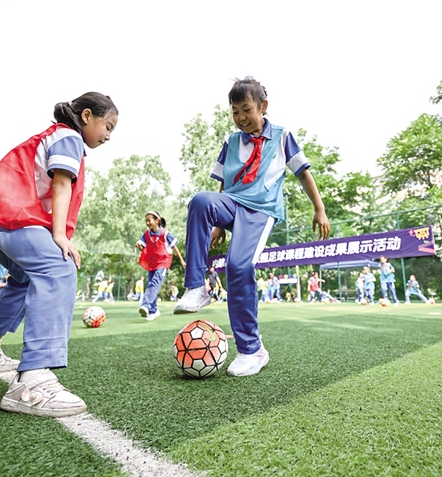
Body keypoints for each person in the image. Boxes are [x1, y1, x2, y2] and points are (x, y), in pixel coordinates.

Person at [0, 91, 118, 417]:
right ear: (87, 116)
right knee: (59, 267)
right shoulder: (69, 137)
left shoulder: (55, 136)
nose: (108, 136)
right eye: (108, 126)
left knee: (22, 276)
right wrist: (59, 236)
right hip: (7, 214)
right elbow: (61, 184)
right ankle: (31, 382)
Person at [174, 76, 330, 377]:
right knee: (201, 200)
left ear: (263, 106)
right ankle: (196, 287)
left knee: (237, 266)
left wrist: (319, 209)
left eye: (246, 109)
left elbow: (302, 173)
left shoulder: (282, 136)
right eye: (235, 112)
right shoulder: (231, 142)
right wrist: (217, 224)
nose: (241, 117)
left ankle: (252, 350)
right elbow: (222, 183)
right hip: (232, 202)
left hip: (260, 210)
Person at [135, 211, 185, 321]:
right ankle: (153, 311)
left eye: (149, 220)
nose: (147, 223)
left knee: (154, 283)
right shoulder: (146, 234)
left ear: (157, 220)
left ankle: (146, 305)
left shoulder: (165, 233)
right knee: (151, 284)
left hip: (163, 262)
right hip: (152, 263)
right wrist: (139, 246)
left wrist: (182, 260)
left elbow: (174, 247)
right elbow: (143, 247)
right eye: (146, 221)